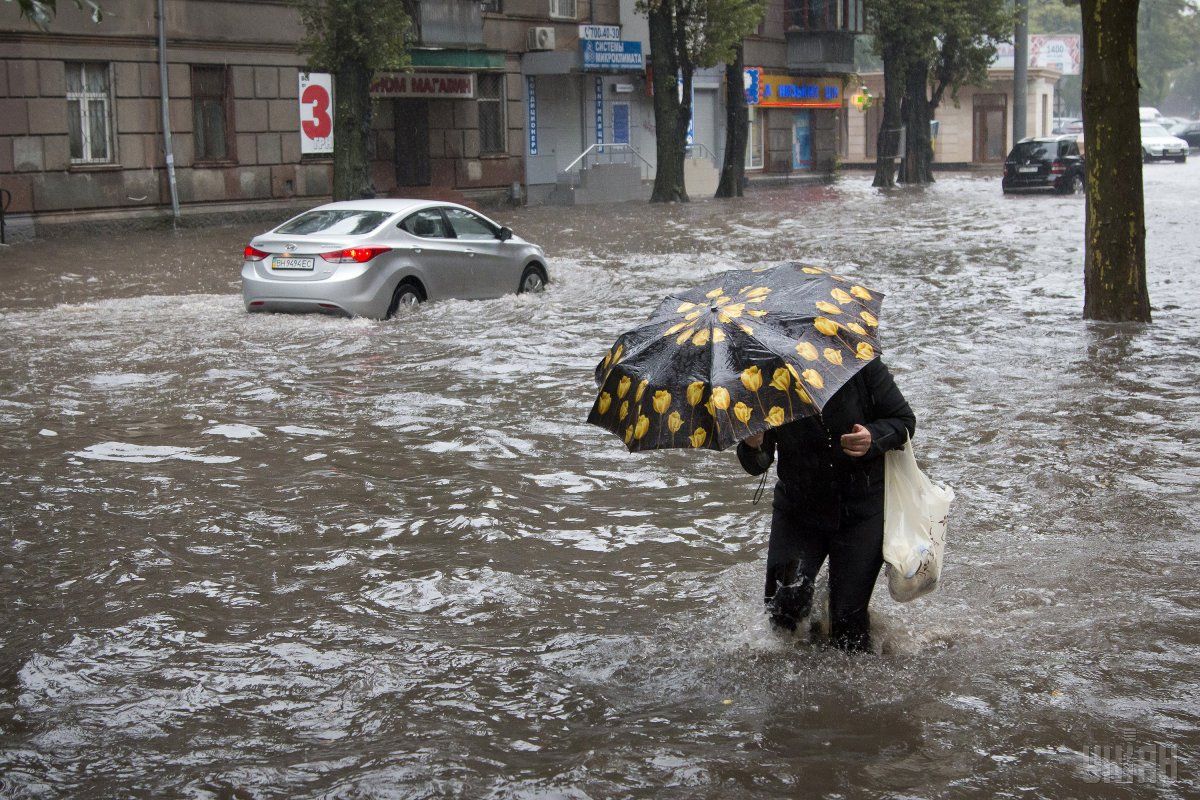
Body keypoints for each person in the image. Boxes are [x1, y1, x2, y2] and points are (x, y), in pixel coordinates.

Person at [737, 357, 915, 652]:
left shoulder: (858, 362)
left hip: (862, 509)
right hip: (798, 510)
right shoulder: (760, 378)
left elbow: (904, 421)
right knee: (782, 613)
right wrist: (754, 442)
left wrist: (873, 438)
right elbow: (757, 464)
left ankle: (853, 691)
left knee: (848, 627)